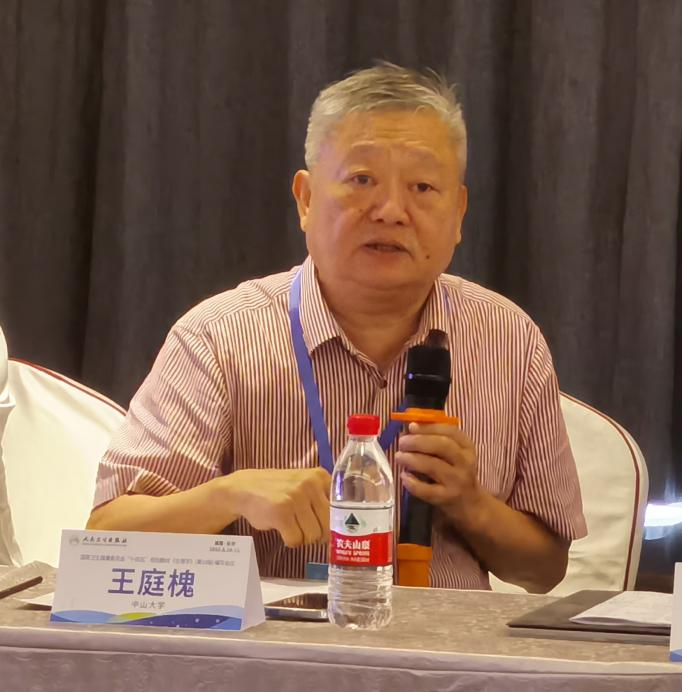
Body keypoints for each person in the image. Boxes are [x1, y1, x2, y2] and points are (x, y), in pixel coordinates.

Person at [88, 63, 586, 592]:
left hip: (445, 645)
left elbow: (545, 571)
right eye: (361, 180)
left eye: (422, 186)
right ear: (305, 199)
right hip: (277, 644)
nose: (391, 211)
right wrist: (230, 496)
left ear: (458, 213)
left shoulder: (509, 339)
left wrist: (470, 503)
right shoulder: (218, 337)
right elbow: (106, 540)